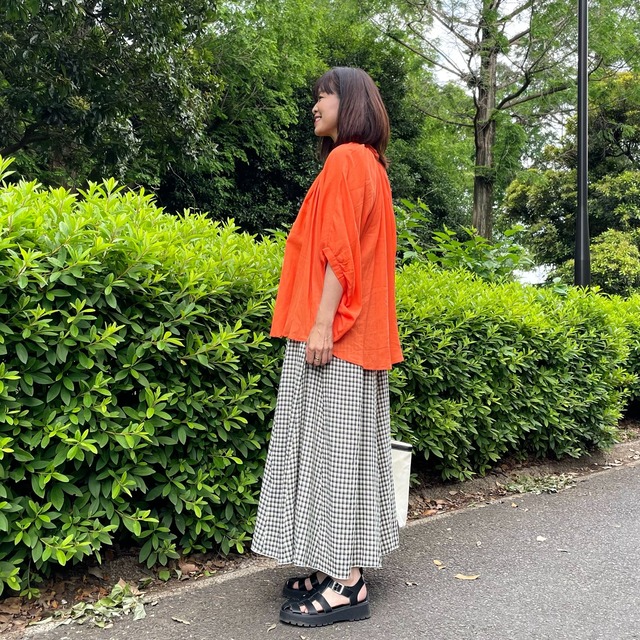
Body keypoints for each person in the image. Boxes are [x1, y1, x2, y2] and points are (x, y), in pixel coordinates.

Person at [251, 66, 403, 628]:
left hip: (336, 337)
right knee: (343, 456)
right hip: (356, 338)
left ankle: (348, 584)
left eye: (324, 96)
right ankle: (335, 565)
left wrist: (321, 325)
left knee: (332, 456)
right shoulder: (369, 165)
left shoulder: (346, 160)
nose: (315, 105)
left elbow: (340, 253)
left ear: (351, 103)